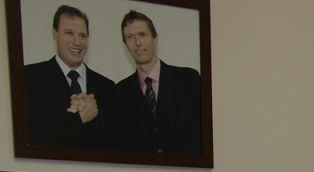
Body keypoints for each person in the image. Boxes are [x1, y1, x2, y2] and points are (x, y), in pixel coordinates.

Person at [21, 5, 121, 150]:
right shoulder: (29, 78)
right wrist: (79, 118)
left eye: (82, 35)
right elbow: (34, 137)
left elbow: (116, 145)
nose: (77, 42)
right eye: (69, 33)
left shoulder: (108, 88)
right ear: (54, 34)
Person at [115, 8, 203, 156]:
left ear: (155, 38)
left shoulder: (189, 80)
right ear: (125, 45)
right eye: (130, 37)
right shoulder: (119, 92)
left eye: (142, 35)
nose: (137, 42)